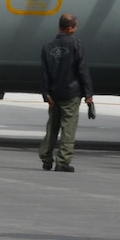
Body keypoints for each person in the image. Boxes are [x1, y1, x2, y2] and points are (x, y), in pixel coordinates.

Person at [40, 12, 93, 172]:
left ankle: (46, 159)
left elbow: (44, 73)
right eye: (75, 26)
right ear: (69, 28)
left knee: (52, 128)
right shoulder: (76, 45)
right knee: (68, 129)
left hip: (54, 95)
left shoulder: (47, 47)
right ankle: (62, 162)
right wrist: (88, 94)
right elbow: (82, 70)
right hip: (71, 94)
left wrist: (46, 94)